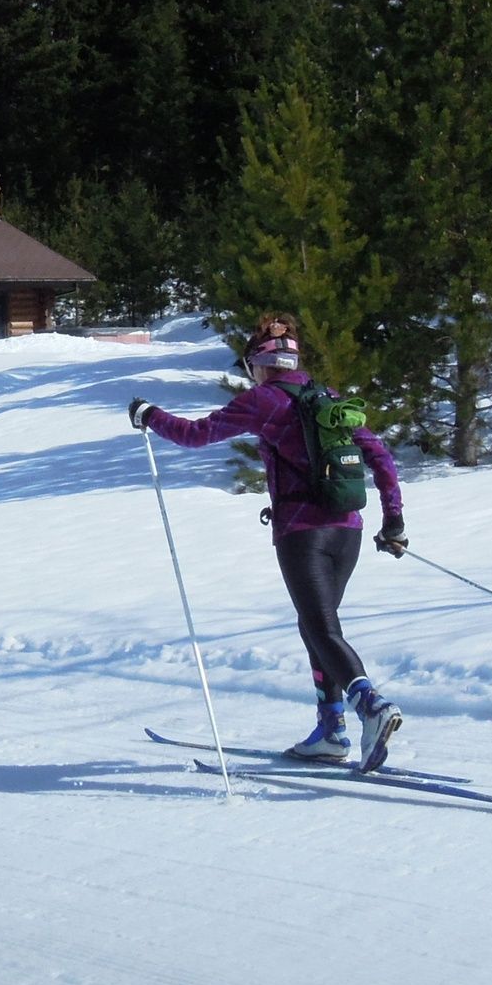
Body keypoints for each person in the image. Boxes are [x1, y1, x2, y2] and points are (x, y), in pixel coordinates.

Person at [128, 313, 409, 771]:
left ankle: (370, 708)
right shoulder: (328, 398)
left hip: (303, 533)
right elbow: (379, 455)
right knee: (316, 625)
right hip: (348, 531)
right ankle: (330, 729)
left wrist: (149, 415)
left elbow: (195, 435)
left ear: (258, 364)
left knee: (320, 628)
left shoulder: (266, 401)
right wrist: (393, 520)